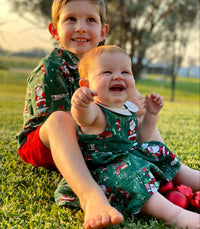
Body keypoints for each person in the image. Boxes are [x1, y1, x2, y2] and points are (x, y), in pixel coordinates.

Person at [16, 0, 167, 228]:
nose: (80, 27)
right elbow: (57, 125)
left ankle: (168, 166)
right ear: (54, 31)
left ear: (103, 31)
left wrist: (137, 108)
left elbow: (129, 110)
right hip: (46, 143)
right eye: (70, 19)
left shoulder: (107, 62)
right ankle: (91, 197)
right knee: (61, 119)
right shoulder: (52, 67)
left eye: (90, 20)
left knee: (136, 109)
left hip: (94, 142)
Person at [55, 45, 200, 229]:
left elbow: (142, 136)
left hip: (131, 158)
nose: (118, 76)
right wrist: (81, 104)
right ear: (86, 85)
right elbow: (83, 118)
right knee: (133, 177)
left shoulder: (127, 108)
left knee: (158, 151)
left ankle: (193, 180)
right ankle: (175, 215)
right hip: (109, 170)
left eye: (125, 72)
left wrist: (151, 115)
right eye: (106, 72)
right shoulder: (96, 112)